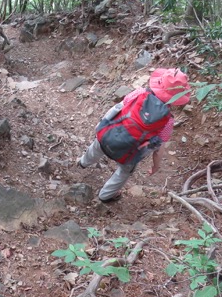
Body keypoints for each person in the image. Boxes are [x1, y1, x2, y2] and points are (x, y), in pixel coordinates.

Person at [78, 68, 191, 203]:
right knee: (124, 173)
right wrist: (156, 166)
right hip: (128, 153)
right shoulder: (168, 120)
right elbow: (159, 148)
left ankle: (83, 162)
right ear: (177, 98)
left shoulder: (140, 93)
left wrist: (101, 125)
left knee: (96, 148)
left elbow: (118, 108)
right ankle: (106, 195)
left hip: (107, 135)